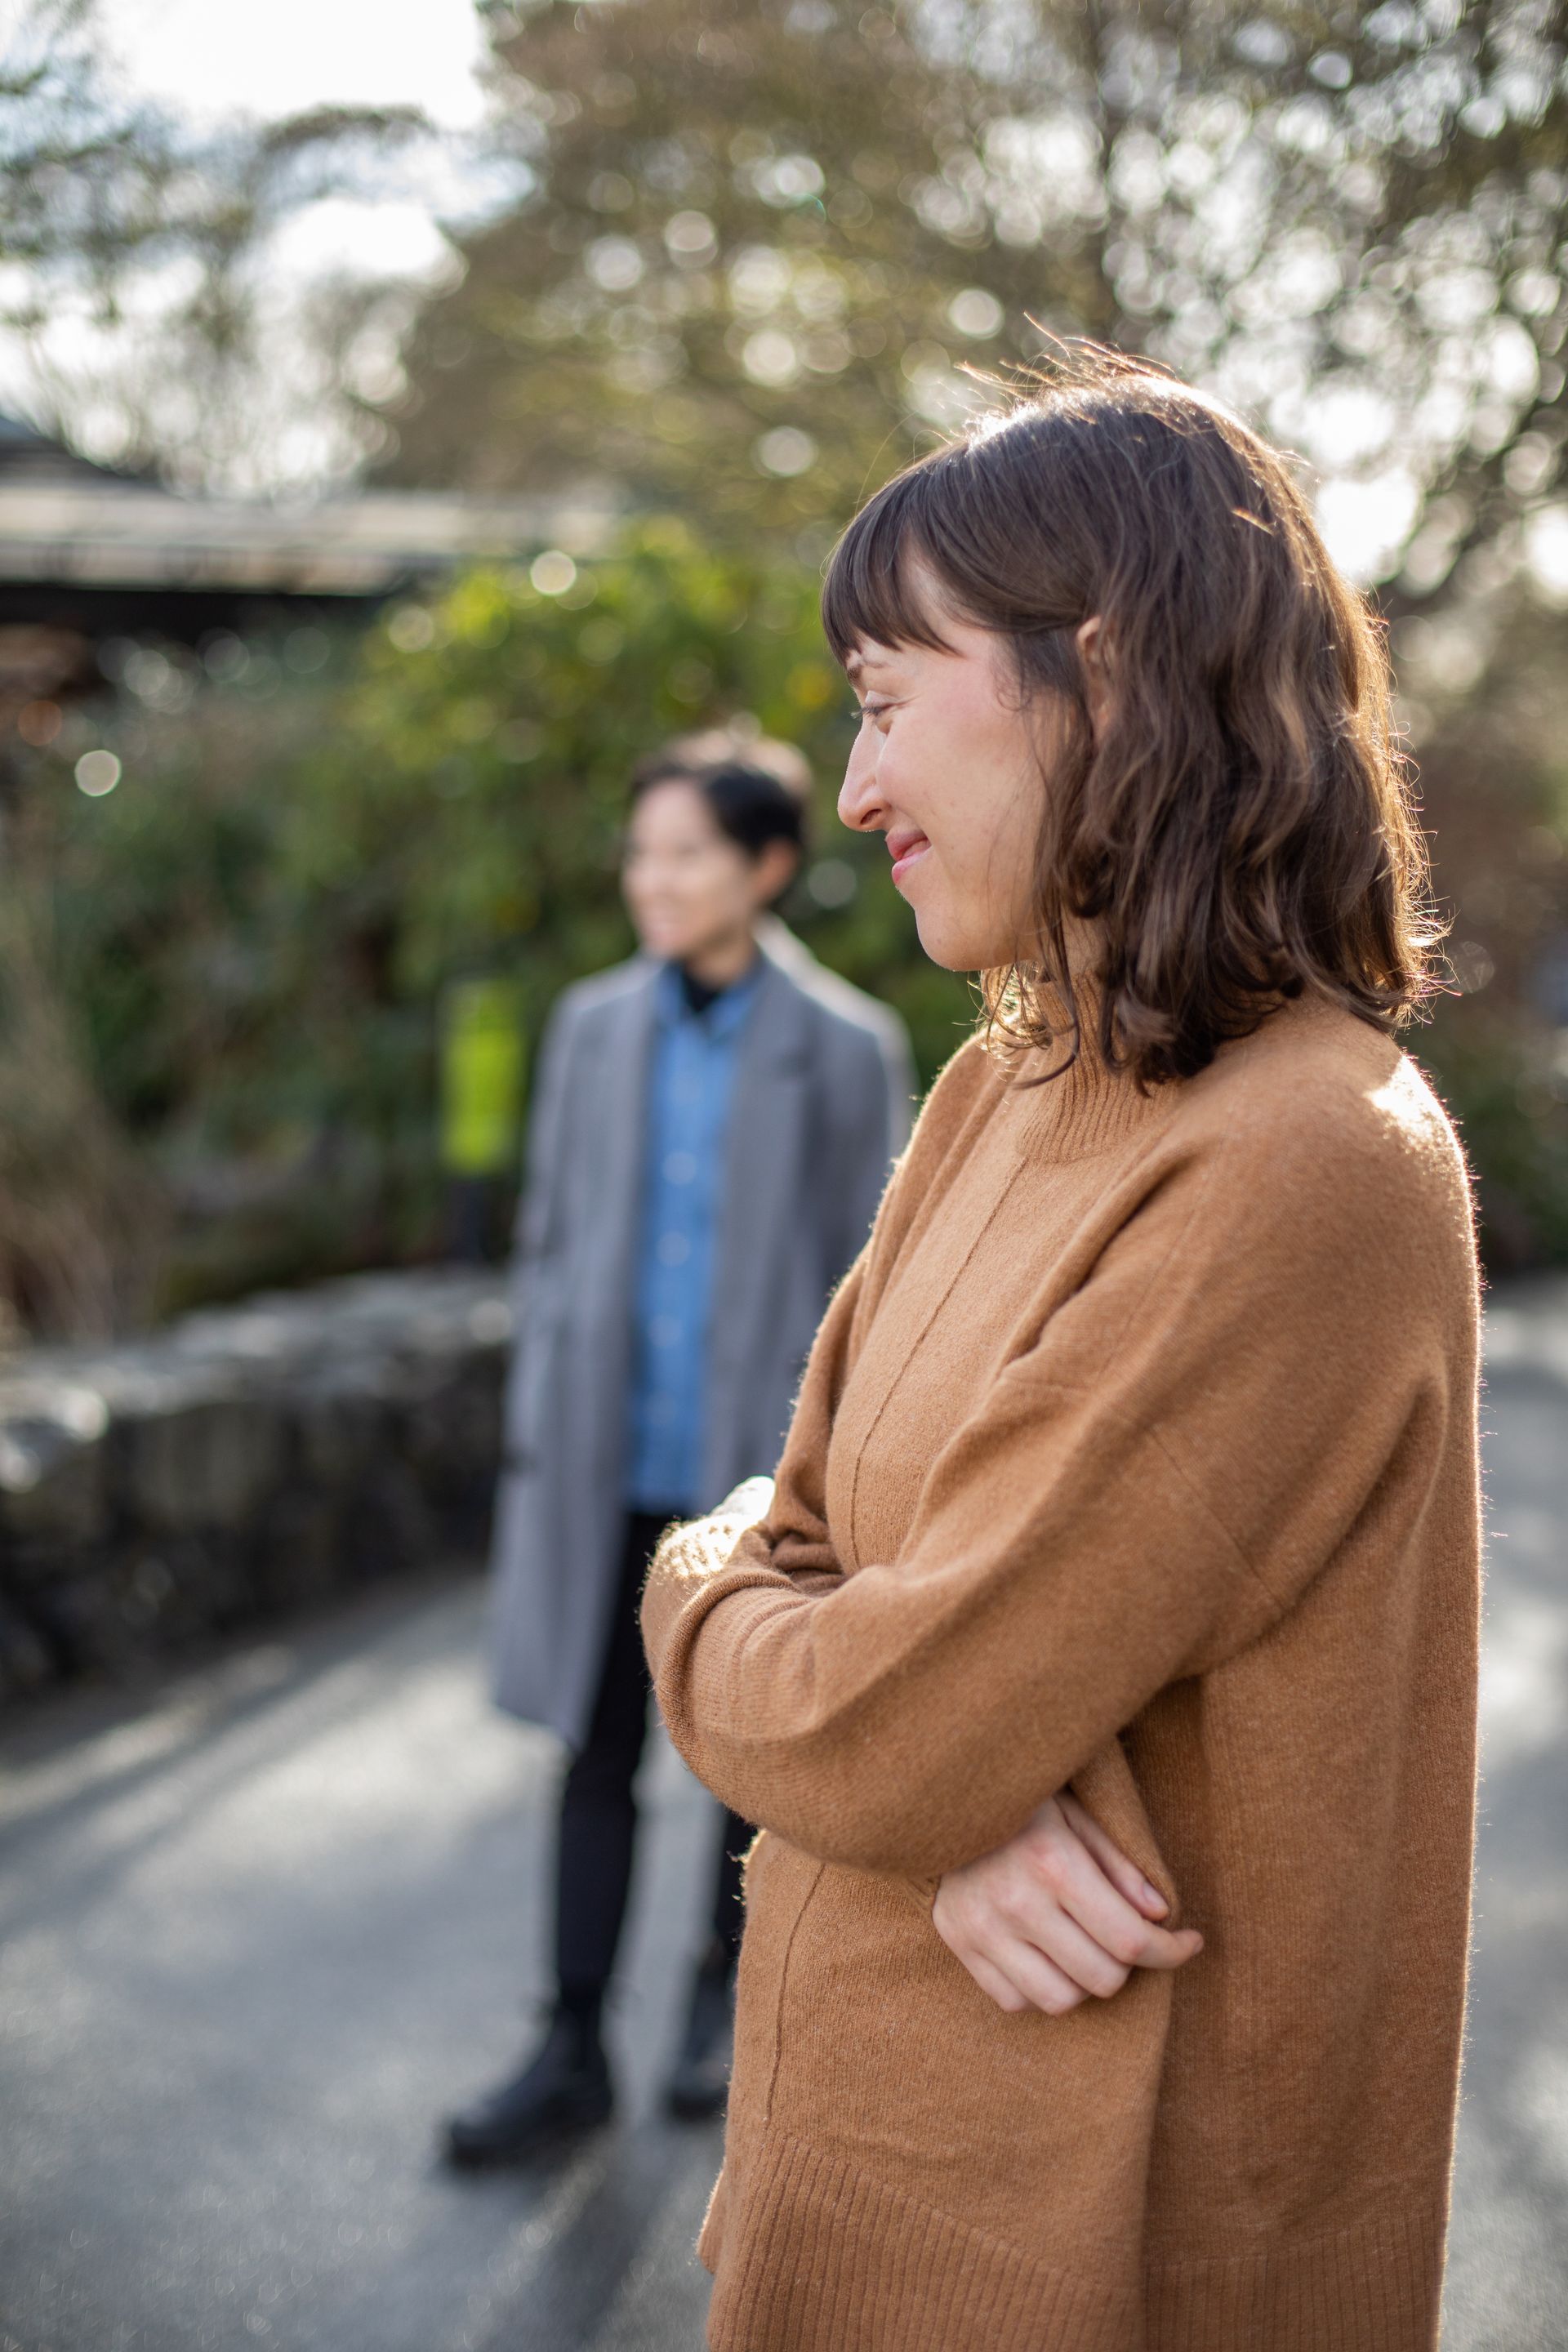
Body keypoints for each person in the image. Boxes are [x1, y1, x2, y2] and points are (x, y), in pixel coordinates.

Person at [640, 355, 1481, 2351]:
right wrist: (913, 1745)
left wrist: (809, 1678)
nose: (852, 795)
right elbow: (820, 1580)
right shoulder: (1000, 1090)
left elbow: (879, 1710)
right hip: (844, 2192)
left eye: (881, 699)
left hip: (1091, 2264)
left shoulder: (1304, 1163)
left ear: (1097, 670)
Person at [444, 728, 913, 2165]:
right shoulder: (591, 1028)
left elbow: (874, 1287)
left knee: (741, 1764)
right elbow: (554, 1235)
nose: (654, 881)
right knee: (591, 1753)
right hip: (600, 1461)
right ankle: (570, 2040)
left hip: (750, 1480)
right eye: (641, 854)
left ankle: (722, 2008)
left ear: (766, 866)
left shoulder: (845, 1050)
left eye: (686, 854)